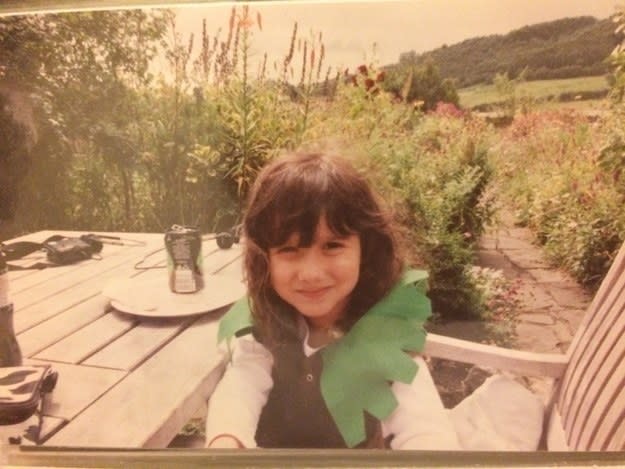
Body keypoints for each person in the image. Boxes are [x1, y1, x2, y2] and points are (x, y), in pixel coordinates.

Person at [205, 151, 460, 449]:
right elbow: (242, 384)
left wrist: (431, 450)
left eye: (332, 246)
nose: (311, 273)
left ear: (366, 248)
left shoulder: (384, 332)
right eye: (289, 250)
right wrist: (227, 438)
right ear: (265, 258)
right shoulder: (267, 320)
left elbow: (422, 422)